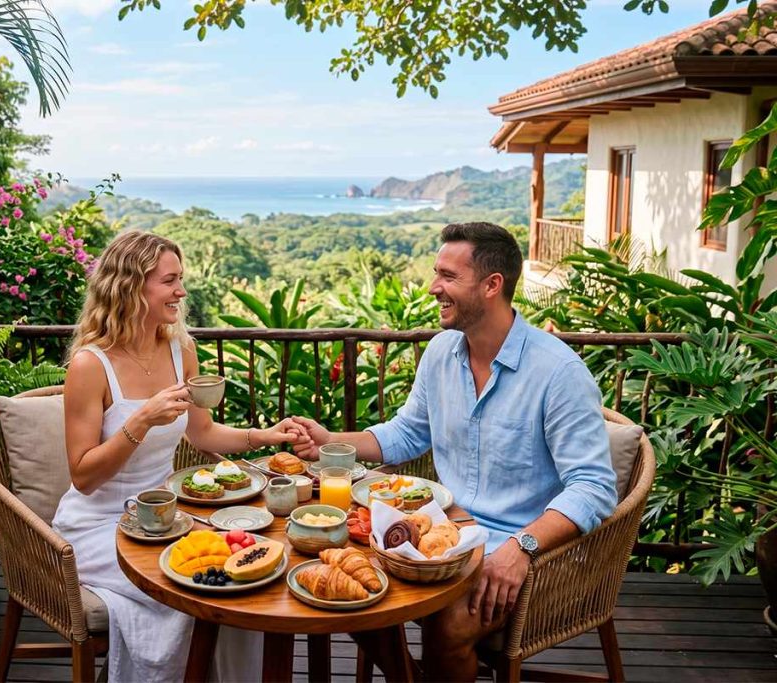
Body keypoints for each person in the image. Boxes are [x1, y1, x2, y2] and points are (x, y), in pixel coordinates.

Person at [291, 222, 617, 681]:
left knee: (448, 625)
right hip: (444, 537)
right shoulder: (442, 353)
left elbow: (594, 487)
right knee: (350, 589)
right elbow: (406, 433)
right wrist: (331, 442)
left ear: (491, 286)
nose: (433, 287)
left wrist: (520, 549)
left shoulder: (559, 372)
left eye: (448, 276)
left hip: (531, 550)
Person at [52, 230, 305, 682]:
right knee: (200, 590)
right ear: (131, 286)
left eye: (180, 279)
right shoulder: (91, 365)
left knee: (245, 578)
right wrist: (141, 420)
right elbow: (84, 475)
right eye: (170, 281)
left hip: (167, 520)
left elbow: (204, 432)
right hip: (98, 526)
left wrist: (266, 435)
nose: (181, 291)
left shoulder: (179, 349)